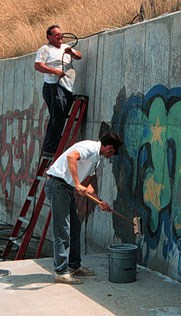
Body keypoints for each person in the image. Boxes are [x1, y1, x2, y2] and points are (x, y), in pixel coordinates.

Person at [45, 131, 123, 284]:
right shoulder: (90, 147)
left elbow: (88, 187)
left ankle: (74, 266)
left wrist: (100, 202)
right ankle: (60, 271)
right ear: (108, 147)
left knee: (75, 228)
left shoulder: (96, 158)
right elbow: (71, 157)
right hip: (57, 185)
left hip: (65, 188)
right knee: (62, 229)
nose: (111, 156)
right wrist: (76, 182)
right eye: (112, 152)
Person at [34, 25, 82, 157]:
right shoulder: (45, 49)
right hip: (53, 87)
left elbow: (79, 56)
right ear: (49, 37)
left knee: (60, 116)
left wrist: (71, 53)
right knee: (58, 115)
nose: (60, 36)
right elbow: (38, 65)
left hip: (67, 87)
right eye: (56, 35)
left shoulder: (66, 47)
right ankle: (51, 147)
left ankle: (52, 145)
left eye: (61, 34)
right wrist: (54, 71)